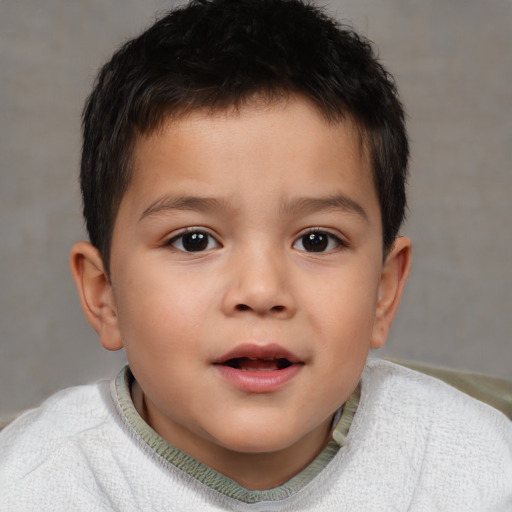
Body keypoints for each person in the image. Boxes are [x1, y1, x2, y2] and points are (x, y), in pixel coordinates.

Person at [0, 0, 510, 509]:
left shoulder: (477, 470)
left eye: (317, 240)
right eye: (194, 240)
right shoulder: (35, 485)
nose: (262, 291)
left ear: (383, 291)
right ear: (104, 294)